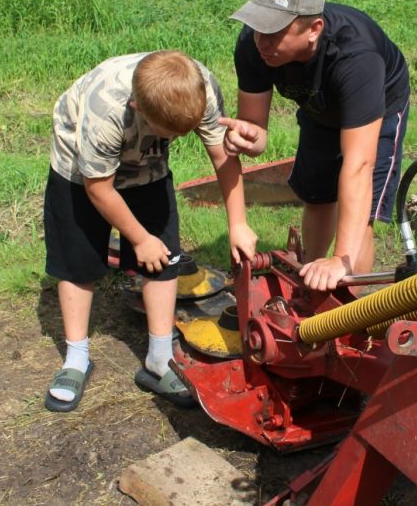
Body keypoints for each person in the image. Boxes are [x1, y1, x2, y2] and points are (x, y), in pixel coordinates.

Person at [42, 50, 257, 412]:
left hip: (148, 167)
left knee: (164, 255)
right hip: (80, 172)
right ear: (140, 109)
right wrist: (139, 239)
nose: (180, 139)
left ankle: (159, 359)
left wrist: (238, 223)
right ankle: (76, 359)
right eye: (171, 134)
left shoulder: (197, 88)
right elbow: (99, 189)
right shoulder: (105, 107)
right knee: (78, 261)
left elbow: (222, 156)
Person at [221, 0, 410, 291]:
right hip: (319, 107)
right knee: (317, 195)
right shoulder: (253, 47)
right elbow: (256, 132)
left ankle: (348, 308)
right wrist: (248, 139)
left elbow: (359, 164)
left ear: (314, 28)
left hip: (377, 104)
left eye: (274, 32)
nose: (261, 41)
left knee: (359, 219)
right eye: (257, 28)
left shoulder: (355, 57)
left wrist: (341, 259)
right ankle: (309, 279)